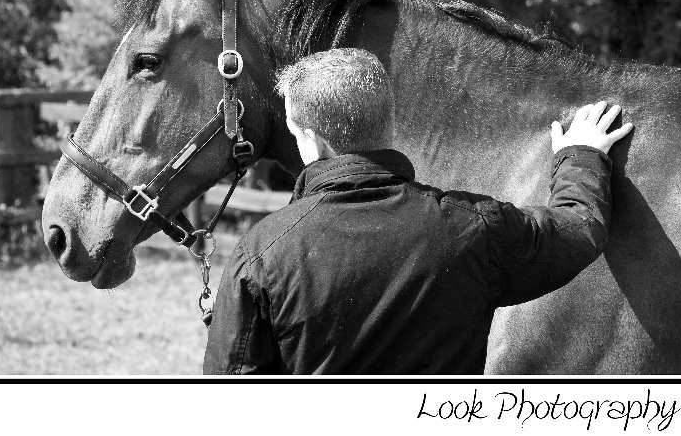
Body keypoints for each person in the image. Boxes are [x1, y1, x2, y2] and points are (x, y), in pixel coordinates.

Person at [202, 48, 633, 375]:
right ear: (387, 123)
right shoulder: (474, 229)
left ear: (309, 137)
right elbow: (578, 229)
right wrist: (581, 155)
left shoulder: (259, 254)